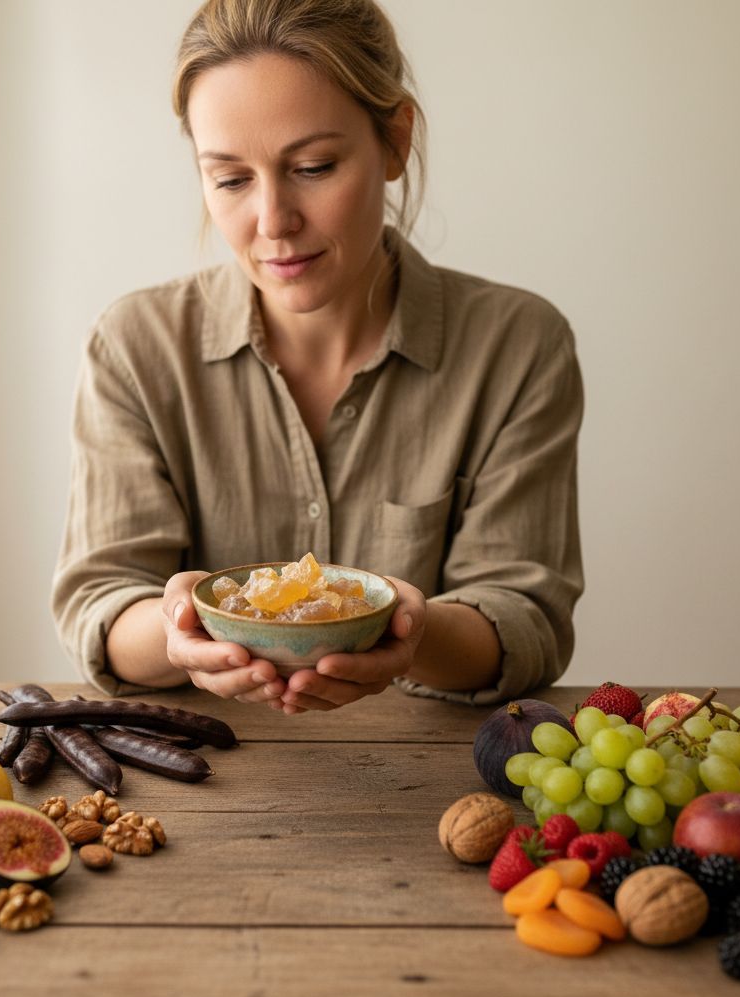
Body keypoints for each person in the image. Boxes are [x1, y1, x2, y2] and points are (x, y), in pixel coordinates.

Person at [52, 0, 583, 714]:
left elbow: (526, 616)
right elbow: (101, 602)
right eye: (231, 179)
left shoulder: (519, 346)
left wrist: (407, 632)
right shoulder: (134, 347)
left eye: (312, 166)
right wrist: (180, 631)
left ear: (395, 141)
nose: (273, 222)